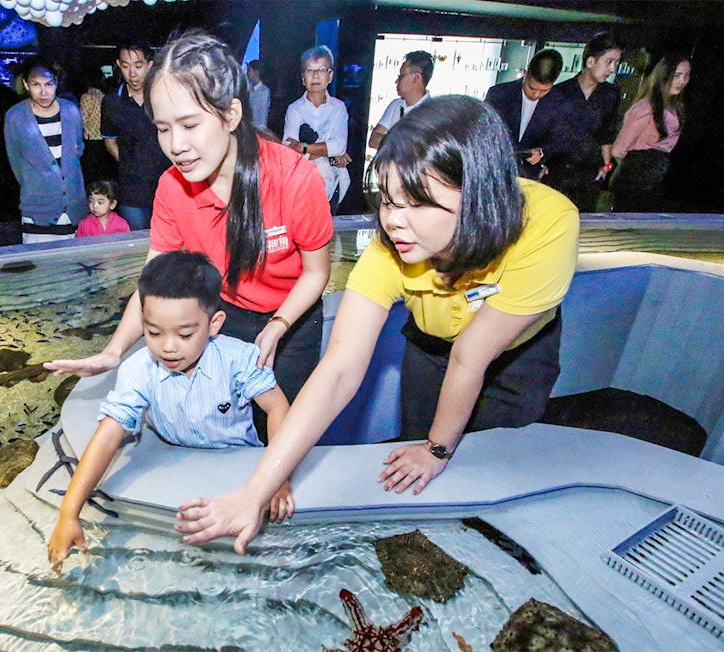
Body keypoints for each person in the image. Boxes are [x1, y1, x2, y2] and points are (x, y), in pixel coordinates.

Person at [173, 96, 580, 554]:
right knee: (415, 456)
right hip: (431, 343)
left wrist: (438, 450)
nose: (393, 221)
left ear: (478, 194)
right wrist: (255, 492)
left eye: (416, 204)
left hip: (515, 356)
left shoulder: (548, 226)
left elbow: (472, 355)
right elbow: (339, 369)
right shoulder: (390, 250)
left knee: (496, 467)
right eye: (387, 200)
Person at [47, 30, 333, 415]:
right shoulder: (171, 188)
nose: (175, 145)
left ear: (230, 114)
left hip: (291, 320)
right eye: (163, 129)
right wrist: (112, 352)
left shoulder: (295, 178)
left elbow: (316, 273)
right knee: (225, 419)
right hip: (225, 313)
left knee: (283, 424)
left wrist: (280, 325)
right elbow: (152, 280)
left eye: (189, 125)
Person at [47, 251, 293, 571]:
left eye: (185, 334)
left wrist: (279, 476)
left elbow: (277, 407)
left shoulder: (239, 359)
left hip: (238, 466)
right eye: (154, 332)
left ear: (214, 323)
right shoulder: (139, 370)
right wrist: (69, 512)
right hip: (176, 469)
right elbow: (108, 437)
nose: (168, 347)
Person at [4, 56, 86, 244]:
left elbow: (78, 150)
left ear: (56, 83)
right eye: (36, 85)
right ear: (26, 84)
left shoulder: (71, 111)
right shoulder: (15, 117)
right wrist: (37, 183)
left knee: (74, 265)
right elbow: (15, 161)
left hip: (72, 206)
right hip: (37, 207)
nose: (43, 92)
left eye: (48, 84)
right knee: (42, 267)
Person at [540, 33, 623, 213]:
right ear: (591, 61)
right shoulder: (559, 92)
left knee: (583, 222)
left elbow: (607, 133)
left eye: (616, 63)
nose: (612, 69)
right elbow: (546, 131)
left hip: (589, 171)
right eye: (608, 62)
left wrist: (606, 165)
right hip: (558, 170)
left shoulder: (611, 94)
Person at [100, 40, 171, 231]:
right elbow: (109, 139)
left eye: (138, 65)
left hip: (167, 186)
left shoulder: (165, 96)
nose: (132, 73)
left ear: (149, 65)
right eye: (125, 66)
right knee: (138, 246)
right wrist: (128, 162)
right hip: (132, 191)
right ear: (118, 65)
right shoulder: (112, 101)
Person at [610, 54, 691, 212]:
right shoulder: (645, 108)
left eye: (687, 75)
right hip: (637, 178)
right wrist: (636, 167)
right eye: (677, 75)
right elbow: (618, 149)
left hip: (656, 176)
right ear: (664, 75)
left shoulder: (675, 107)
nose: (682, 81)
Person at [283, 46, 351, 214]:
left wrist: (303, 147)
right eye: (309, 70)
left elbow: (339, 146)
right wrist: (329, 152)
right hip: (301, 186)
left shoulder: (338, 108)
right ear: (302, 78)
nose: (315, 76)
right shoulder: (294, 109)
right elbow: (289, 152)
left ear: (330, 76)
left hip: (331, 185)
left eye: (321, 70)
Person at [485, 48, 564, 180]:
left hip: (528, 174)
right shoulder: (499, 94)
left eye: (544, 90)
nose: (536, 94)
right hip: (494, 169)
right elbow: (484, 132)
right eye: (532, 88)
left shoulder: (558, 102)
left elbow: (559, 138)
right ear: (525, 74)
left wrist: (541, 152)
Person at [368, 50, 433, 150]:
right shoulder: (396, 105)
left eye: (401, 76)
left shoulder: (433, 113)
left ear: (416, 78)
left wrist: (387, 141)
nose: (396, 81)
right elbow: (373, 140)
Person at [246, 60, 271, 131]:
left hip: (257, 130)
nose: (247, 73)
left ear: (256, 72)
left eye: (249, 70)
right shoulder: (248, 89)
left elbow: (262, 114)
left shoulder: (264, 91)